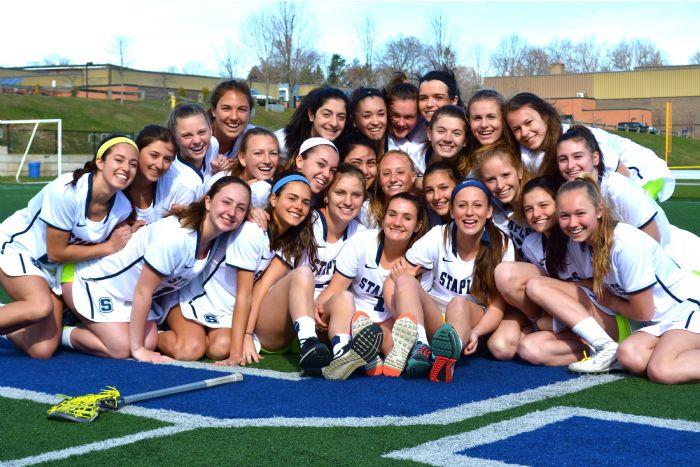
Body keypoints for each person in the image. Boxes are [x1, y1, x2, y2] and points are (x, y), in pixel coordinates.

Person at [526, 176, 700, 383]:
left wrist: (612, 301)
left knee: (661, 370)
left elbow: (643, 310)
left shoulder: (625, 244)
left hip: (687, 309)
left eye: (580, 213)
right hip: (655, 322)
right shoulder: (579, 244)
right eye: (564, 216)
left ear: (599, 210)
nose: (573, 223)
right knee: (630, 356)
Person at [61, 176, 250, 363]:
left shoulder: (215, 237)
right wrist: (138, 350)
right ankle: (60, 331)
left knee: (150, 341)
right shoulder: (175, 237)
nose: (232, 212)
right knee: (121, 347)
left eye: (241, 208)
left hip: (128, 296)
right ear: (208, 201)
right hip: (93, 281)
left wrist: (255, 212)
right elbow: (143, 291)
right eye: (226, 202)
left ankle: (96, 325)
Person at [0, 134, 138, 358]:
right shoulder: (66, 190)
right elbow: (56, 253)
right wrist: (108, 247)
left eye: (133, 164)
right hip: (19, 249)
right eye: (119, 160)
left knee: (42, 350)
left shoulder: (122, 206)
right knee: (39, 306)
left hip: (50, 270)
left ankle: (7, 322)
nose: (126, 168)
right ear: (100, 162)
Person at [389, 179, 513, 382]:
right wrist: (400, 315)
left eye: (477, 205)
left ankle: (448, 357)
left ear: (489, 211)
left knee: (458, 302)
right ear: (452, 211)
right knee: (404, 280)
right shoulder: (438, 236)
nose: (470, 212)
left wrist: (476, 332)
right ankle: (420, 346)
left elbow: (497, 306)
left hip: (469, 319)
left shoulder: (502, 244)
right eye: (462, 206)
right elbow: (393, 279)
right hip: (434, 316)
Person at [495, 176, 614, 363]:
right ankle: (601, 350)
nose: (536, 214)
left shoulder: (577, 235)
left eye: (544, 205)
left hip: (600, 311)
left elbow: (600, 287)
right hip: (561, 312)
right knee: (526, 348)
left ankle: (602, 340)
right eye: (529, 209)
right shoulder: (531, 244)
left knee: (536, 286)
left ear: (558, 206)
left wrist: (552, 314)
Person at [316, 192, 431, 378]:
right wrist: (315, 310)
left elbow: (408, 315)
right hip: (350, 317)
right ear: (383, 217)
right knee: (344, 298)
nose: (397, 222)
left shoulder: (421, 258)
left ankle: (370, 358)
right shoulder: (362, 241)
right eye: (392, 214)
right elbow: (335, 288)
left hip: (388, 322)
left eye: (407, 218)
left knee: (397, 341)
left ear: (418, 225)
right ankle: (343, 353)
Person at [555, 125, 700, 273]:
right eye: (562, 159)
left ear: (595, 158)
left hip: (662, 260)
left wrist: (639, 276)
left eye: (578, 156)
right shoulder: (575, 191)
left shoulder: (616, 189)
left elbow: (652, 238)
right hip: (620, 263)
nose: (570, 165)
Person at [505, 92, 674, 201]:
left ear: (545, 116)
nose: (525, 132)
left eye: (528, 123)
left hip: (642, 172)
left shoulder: (578, 138)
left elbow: (622, 176)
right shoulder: (527, 154)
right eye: (517, 129)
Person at [246, 172, 333, 372]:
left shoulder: (292, 238)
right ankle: (308, 343)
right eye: (292, 198)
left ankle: (316, 344)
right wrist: (246, 335)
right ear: (273, 199)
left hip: (267, 320)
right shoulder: (255, 228)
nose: (298, 206)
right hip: (249, 321)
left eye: (305, 202)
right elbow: (260, 288)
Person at [473, 142, 532, 256]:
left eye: (505, 175)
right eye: (491, 179)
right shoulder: (493, 208)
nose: (500, 185)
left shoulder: (537, 200)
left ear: (519, 171)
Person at [208, 127, 280, 209]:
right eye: (258, 153)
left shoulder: (282, 190)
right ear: (242, 158)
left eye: (273, 153)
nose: (267, 160)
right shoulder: (220, 178)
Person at [275, 86, 349, 163]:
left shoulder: (345, 149)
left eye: (341, 117)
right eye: (326, 114)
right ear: (311, 114)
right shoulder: (280, 143)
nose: (334, 123)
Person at [127, 125, 184, 224]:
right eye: (154, 155)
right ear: (137, 151)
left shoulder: (171, 189)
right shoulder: (116, 187)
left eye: (167, 159)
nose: (160, 165)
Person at [167, 103, 218, 199]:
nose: (197, 141)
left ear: (210, 130)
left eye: (202, 132)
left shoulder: (213, 145)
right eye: (187, 135)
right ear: (174, 137)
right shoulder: (180, 182)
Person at [363, 150, 417, 227]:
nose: (393, 179)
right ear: (379, 179)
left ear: (413, 176)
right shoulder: (366, 211)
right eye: (386, 173)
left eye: (400, 172)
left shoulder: (425, 209)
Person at [385, 82, 428, 170]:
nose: (401, 123)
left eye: (408, 117)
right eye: (396, 115)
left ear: (419, 115)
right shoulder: (381, 139)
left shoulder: (429, 135)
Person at [209, 79, 255, 158]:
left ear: (249, 112)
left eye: (241, 109)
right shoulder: (197, 137)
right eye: (226, 108)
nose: (234, 117)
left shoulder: (255, 138)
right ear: (213, 111)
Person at [423, 105, 471, 177]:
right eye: (441, 131)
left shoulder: (474, 173)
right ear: (430, 134)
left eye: (456, 133)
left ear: (465, 140)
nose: (447, 139)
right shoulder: (414, 160)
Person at [466, 89, 515, 153]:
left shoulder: (519, 155)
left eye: (491, 117)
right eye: (477, 118)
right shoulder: (463, 155)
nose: (484, 125)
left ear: (503, 118)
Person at [349, 87, 388, 156]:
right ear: (354, 120)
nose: (375, 122)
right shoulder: (346, 150)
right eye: (367, 116)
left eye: (381, 114)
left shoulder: (401, 146)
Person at [422, 161, 460, 227]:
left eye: (443, 188)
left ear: (458, 185)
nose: (436, 197)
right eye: (429, 190)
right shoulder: (423, 220)